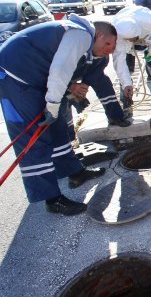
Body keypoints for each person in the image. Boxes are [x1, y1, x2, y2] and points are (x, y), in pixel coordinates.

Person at [0, 15, 117, 216]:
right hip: (16, 80)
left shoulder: (79, 37)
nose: (108, 50)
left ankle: (74, 172)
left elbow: (58, 67)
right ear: (97, 34)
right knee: (34, 139)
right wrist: (53, 105)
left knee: (56, 128)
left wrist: (58, 102)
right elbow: (60, 69)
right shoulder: (81, 35)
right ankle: (52, 199)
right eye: (107, 43)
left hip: (36, 81)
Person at [111, 6, 151, 114]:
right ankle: (126, 104)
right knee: (125, 73)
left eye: (132, 38)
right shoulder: (116, 33)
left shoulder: (149, 20)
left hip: (148, 39)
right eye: (129, 39)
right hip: (125, 46)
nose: (131, 40)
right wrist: (127, 83)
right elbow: (119, 62)